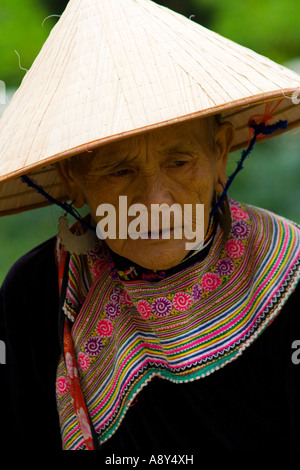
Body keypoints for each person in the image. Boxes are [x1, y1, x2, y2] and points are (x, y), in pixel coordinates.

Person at [0, 0, 300, 453]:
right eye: (119, 172)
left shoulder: (290, 272)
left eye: (179, 162)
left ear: (220, 154)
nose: (156, 202)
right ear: (71, 180)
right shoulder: (35, 291)